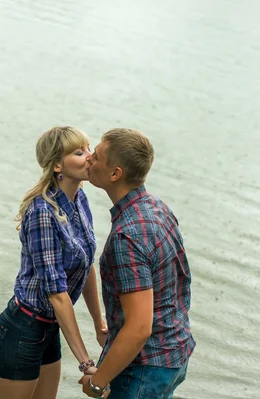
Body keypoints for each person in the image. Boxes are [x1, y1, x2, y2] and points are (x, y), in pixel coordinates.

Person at [0, 126, 109, 399]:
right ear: (57, 165)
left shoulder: (79, 198)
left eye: (89, 149)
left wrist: (98, 323)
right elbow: (56, 294)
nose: (90, 157)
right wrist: (86, 363)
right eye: (79, 152)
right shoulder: (43, 212)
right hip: (22, 331)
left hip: (50, 329)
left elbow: (86, 262)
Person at [79, 128, 196, 399]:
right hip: (175, 353)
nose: (89, 160)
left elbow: (139, 328)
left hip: (145, 368)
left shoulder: (126, 236)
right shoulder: (158, 208)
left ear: (115, 174)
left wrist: (98, 381)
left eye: (95, 156)